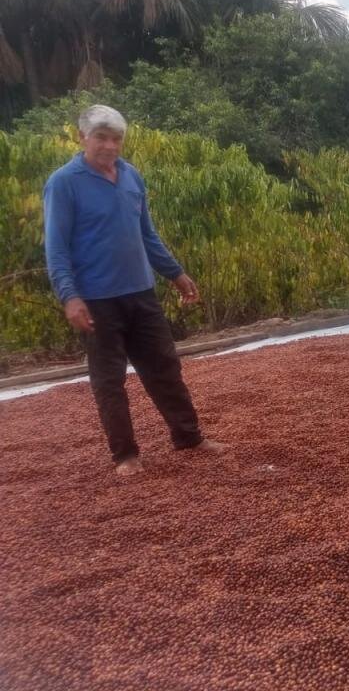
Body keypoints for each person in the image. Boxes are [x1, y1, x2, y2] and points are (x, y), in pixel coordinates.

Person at [43, 105, 227, 476]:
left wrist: (174, 273)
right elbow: (56, 248)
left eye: (116, 139)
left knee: (165, 367)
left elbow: (147, 235)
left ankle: (188, 437)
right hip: (97, 300)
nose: (110, 146)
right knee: (109, 380)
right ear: (83, 138)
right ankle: (125, 455)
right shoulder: (64, 182)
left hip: (141, 292)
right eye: (101, 138)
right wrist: (69, 296)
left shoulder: (131, 177)